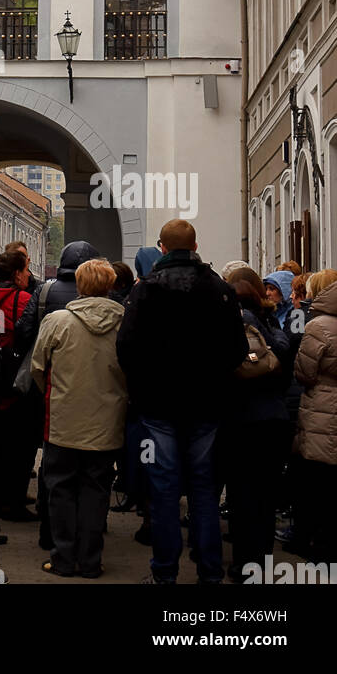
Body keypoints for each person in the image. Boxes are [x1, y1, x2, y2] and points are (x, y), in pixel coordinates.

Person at [116, 219, 249, 585]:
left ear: (162, 247)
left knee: (164, 491)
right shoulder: (220, 290)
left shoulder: (145, 292)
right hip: (207, 404)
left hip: (158, 405)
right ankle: (209, 573)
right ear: (194, 245)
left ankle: (164, 574)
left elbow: (125, 348)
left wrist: (143, 385)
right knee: (204, 491)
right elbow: (238, 349)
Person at [32, 258, 127, 578]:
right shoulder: (124, 321)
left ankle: (62, 558)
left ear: (80, 285)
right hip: (107, 420)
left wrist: (58, 390)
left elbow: (38, 367)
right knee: (96, 490)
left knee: (60, 489)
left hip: (63, 419)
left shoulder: (58, 321)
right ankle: (90, 561)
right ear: (110, 285)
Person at [220, 269, 292, 582]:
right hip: (273, 420)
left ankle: (241, 563)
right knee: (265, 496)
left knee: (241, 493)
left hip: (238, 421)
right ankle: (260, 565)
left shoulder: (226, 326)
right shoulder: (272, 325)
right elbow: (286, 364)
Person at [293, 269, 337, 562]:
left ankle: (313, 541)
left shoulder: (318, 325)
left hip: (320, 406)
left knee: (314, 481)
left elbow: (304, 372)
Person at [0, 249, 39, 521]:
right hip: (16, 377)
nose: (28, 275)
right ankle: (13, 501)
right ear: (16, 274)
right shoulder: (22, 299)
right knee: (21, 445)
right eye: (25, 270)